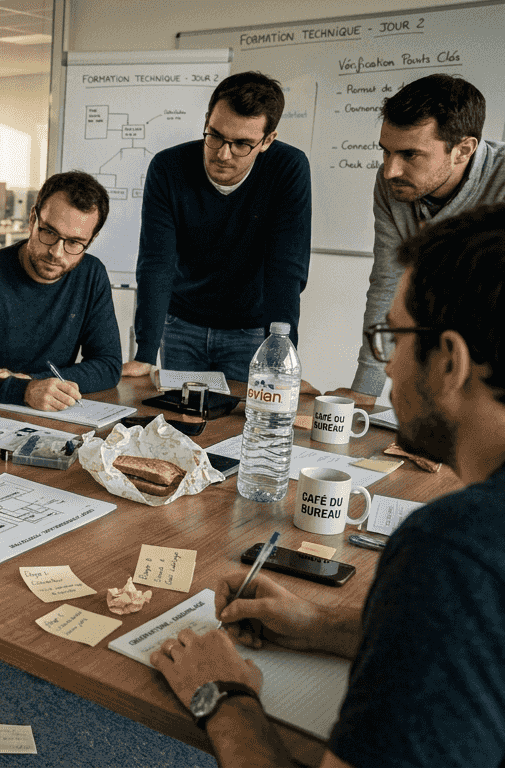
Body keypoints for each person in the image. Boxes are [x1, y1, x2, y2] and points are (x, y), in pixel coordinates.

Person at [148, 201, 505, 768]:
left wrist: (223, 695)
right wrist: (330, 626)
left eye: (393, 339)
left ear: (450, 361)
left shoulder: (454, 550)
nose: (385, 368)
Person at [122, 71, 312, 382]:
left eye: (242, 144)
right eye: (215, 136)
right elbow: (156, 263)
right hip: (181, 324)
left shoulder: (287, 168)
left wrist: (280, 356)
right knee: (177, 423)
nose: (223, 154)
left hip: (251, 330)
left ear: (267, 141)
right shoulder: (168, 168)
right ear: (208, 119)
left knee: (242, 423)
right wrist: (145, 352)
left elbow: (286, 269)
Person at [332, 74, 505, 407]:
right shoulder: (394, 186)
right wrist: (365, 391)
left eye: (410, 155)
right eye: (386, 152)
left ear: (463, 149)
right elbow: (387, 282)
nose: (390, 171)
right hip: (443, 350)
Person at [0, 170, 121, 414]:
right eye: (49, 232)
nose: (57, 252)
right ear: (32, 219)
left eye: (75, 243)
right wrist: (25, 390)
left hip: (47, 414)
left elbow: (108, 366)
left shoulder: (91, 274)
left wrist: (33, 381)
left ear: (91, 239)